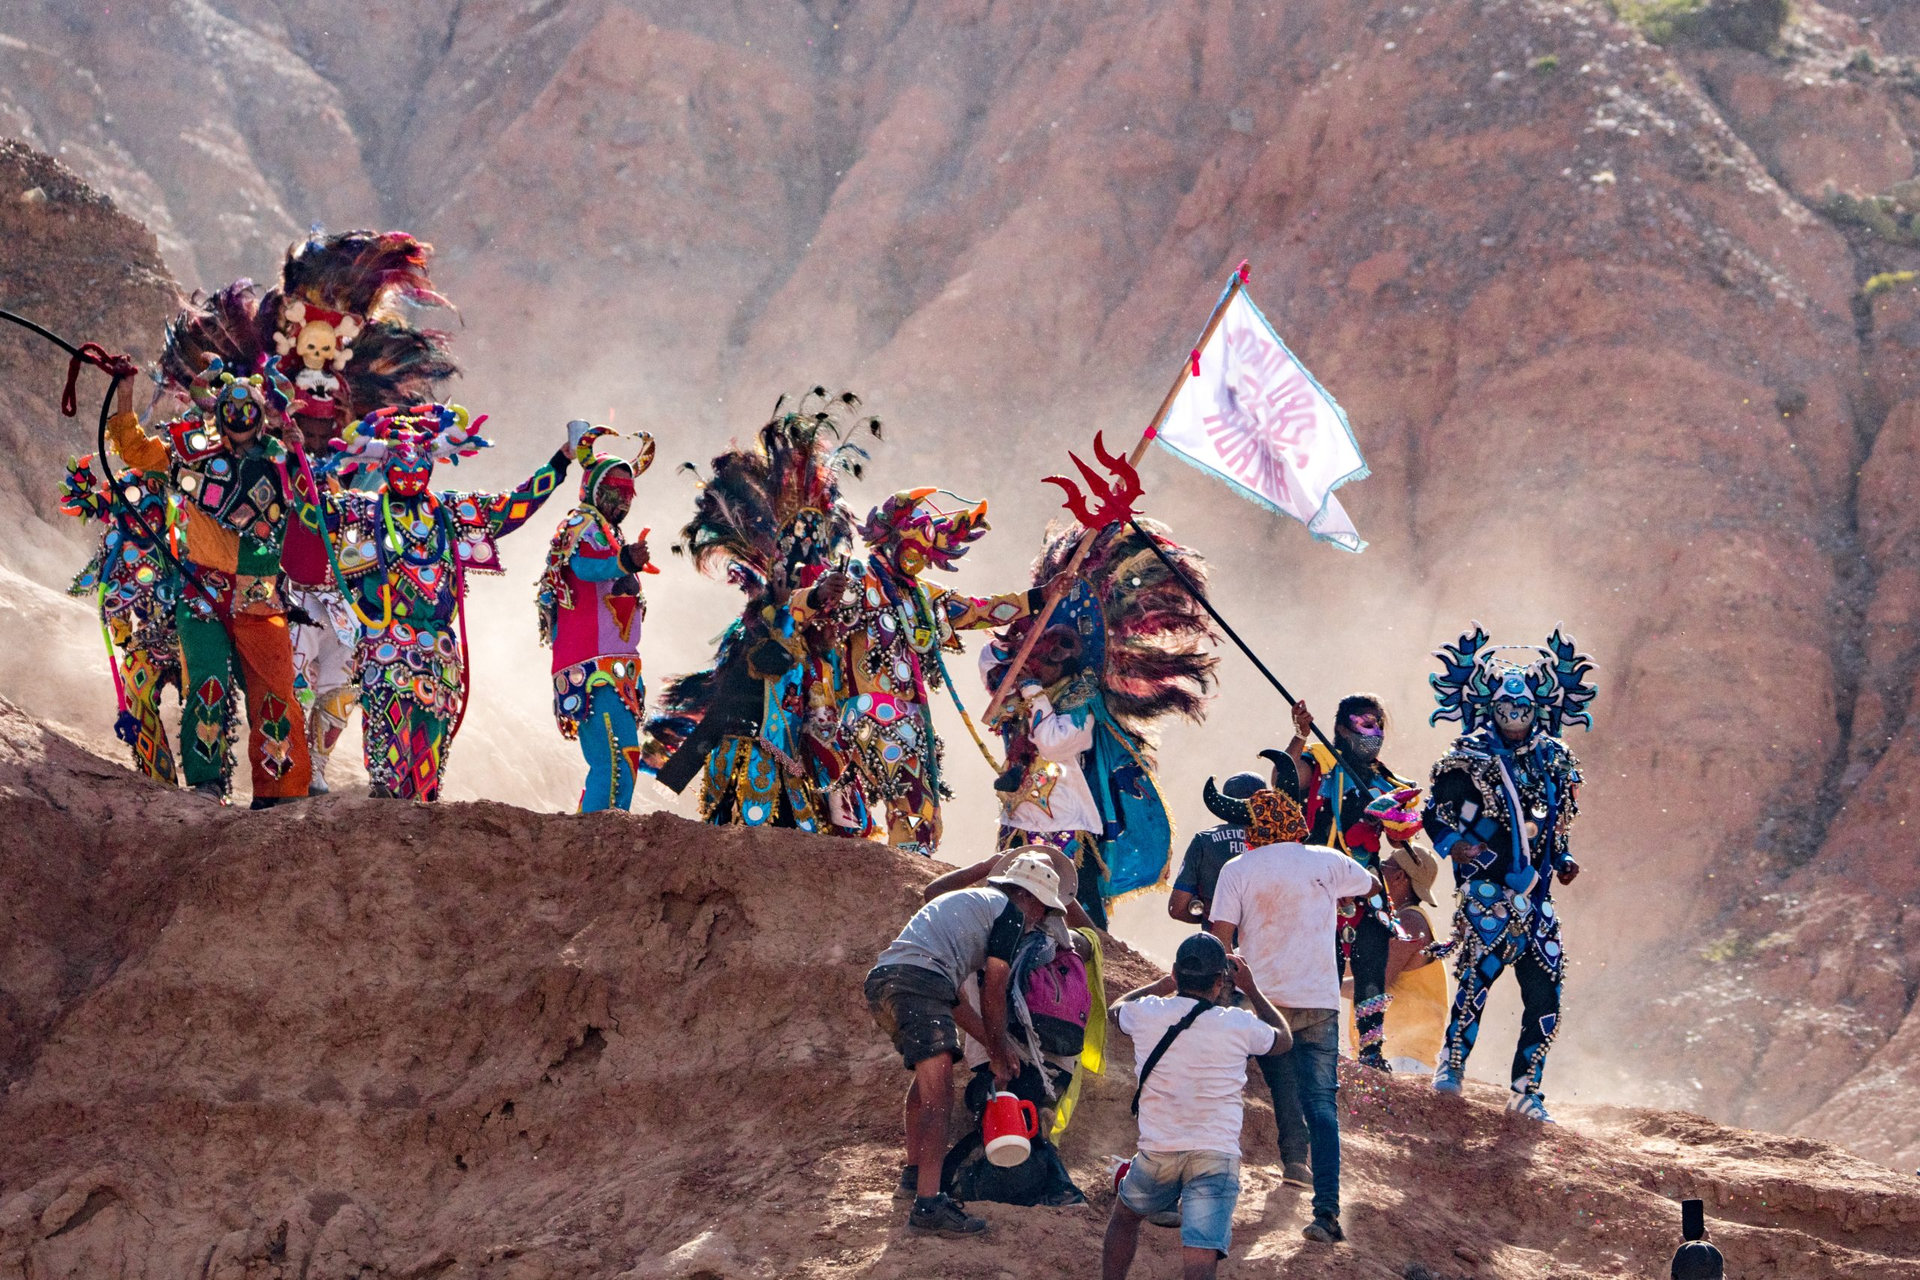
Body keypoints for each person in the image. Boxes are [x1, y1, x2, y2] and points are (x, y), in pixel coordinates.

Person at [262, 228, 456, 794]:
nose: (316, 364)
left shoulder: (367, 437)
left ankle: (317, 763)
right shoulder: (269, 412)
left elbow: (381, 485)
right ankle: (288, 763)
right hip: (287, 567)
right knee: (293, 673)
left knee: (343, 678)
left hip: (351, 575)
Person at [642, 393, 875, 835]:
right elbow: (758, 668)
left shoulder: (827, 628)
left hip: (808, 754)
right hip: (753, 757)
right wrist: (806, 601)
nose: (808, 566)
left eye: (815, 558)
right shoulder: (762, 618)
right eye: (796, 560)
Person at [318, 404, 568, 800]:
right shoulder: (362, 510)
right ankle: (381, 813)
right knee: (387, 761)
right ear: (383, 465)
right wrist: (311, 462)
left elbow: (515, 505)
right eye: (399, 463)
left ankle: (422, 826)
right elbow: (312, 509)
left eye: (419, 464)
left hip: (439, 650)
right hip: (386, 644)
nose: (410, 472)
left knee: (428, 764)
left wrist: (562, 459)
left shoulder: (451, 512)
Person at [982, 518, 1216, 925]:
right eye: (1041, 647)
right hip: (1018, 819)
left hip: (1069, 825)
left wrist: (1035, 690)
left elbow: (1055, 743)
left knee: (1076, 917)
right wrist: (1031, 629)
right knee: (1007, 912)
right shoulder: (1016, 685)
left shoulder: (1081, 700)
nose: (1048, 656)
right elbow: (990, 658)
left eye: (1059, 651)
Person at [107, 352, 313, 806]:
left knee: (276, 691)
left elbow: (316, 511)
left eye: (248, 411)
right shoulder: (190, 452)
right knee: (206, 681)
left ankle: (279, 790)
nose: (239, 419)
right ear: (219, 415)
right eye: (230, 411)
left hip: (262, 600)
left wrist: (301, 459)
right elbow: (135, 449)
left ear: (261, 417)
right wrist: (125, 389)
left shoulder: (282, 460)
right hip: (203, 592)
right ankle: (207, 782)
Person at [794, 487, 1040, 855]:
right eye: (911, 552)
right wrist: (818, 594)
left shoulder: (921, 597)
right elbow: (804, 611)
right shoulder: (861, 581)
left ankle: (902, 869)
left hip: (910, 719)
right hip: (873, 712)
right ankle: (902, 871)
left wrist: (1038, 598)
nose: (917, 563)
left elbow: (978, 610)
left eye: (923, 556)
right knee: (913, 805)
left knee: (924, 812)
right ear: (890, 541)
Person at [1423, 624, 1596, 1121]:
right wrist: (1459, 846)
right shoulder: (1466, 756)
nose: (1515, 718)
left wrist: (1561, 859)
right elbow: (1435, 816)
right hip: (1486, 891)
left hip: (1536, 899)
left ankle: (1527, 1089)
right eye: (1505, 709)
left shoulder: (1555, 759)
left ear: (1539, 709)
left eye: (1522, 710)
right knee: (1475, 982)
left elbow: (1554, 828)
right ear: (1490, 707)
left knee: (1546, 993)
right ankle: (1451, 1067)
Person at [1205, 764, 1374, 1244]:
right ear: (1296, 822)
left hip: (1263, 1002)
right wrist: (1338, 903)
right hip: (1320, 1001)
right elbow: (1370, 887)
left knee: (1236, 1090)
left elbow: (1220, 942)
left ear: (1253, 830)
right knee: (1321, 1104)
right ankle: (1326, 1213)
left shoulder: (1237, 869)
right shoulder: (1325, 861)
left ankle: (1210, 1191)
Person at [864, 850, 1067, 1236]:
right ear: (1032, 899)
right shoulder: (1009, 913)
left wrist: (995, 1047)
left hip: (887, 983)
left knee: (926, 1081)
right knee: (940, 1097)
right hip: (919, 985)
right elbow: (994, 989)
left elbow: (956, 1001)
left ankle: (913, 1174)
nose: (1039, 921)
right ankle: (928, 1205)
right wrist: (999, 1049)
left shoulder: (970, 906)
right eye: (1044, 911)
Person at [1101, 933, 1289, 1280]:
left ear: (1176, 972)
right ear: (1221, 981)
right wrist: (1253, 988)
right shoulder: (1238, 1023)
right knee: (1201, 1252)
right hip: (1215, 1153)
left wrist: (1160, 986)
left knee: (1125, 1219)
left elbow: (1115, 1010)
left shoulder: (1148, 1014)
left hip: (1158, 1150)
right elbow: (1283, 1037)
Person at [1274, 693, 1421, 1071]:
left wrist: (1397, 821)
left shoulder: (1385, 778)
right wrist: (1300, 734)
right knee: (1326, 968)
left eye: (1378, 725)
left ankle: (1371, 1052)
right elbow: (1282, 783)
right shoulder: (1321, 760)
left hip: (1368, 887)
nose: (1374, 733)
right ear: (1341, 728)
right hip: (1321, 883)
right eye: (1364, 724)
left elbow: (1398, 839)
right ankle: (1322, 1046)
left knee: (1372, 967)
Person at [58, 415, 183, 786]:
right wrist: (81, 482)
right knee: (136, 692)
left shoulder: (186, 491)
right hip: (127, 607)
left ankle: (207, 782)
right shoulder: (123, 486)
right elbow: (79, 504)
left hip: (181, 614)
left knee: (202, 694)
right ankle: (159, 783)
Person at [536, 424, 654, 812]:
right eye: (612, 492)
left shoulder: (611, 533)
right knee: (614, 756)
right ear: (591, 488)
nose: (620, 502)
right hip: (589, 663)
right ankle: (596, 835)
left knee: (626, 755)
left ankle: (605, 833)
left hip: (616, 665)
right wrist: (622, 562)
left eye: (626, 494)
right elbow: (584, 569)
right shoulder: (580, 524)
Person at [1343, 841, 1450, 1074]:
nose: (1378, 868)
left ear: (1400, 876)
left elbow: (1374, 984)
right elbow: (1358, 967)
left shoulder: (1410, 922)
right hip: (1401, 1054)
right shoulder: (1400, 920)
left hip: (1405, 1057)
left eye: (1385, 865)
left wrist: (1313, 986)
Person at [1166, 771, 1264, 928]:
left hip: (1218, 946)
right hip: (1266, 945)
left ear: (1224, 803)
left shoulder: (1204, 840)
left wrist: (1210, 917)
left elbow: (1177, 908)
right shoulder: (1278, 842)